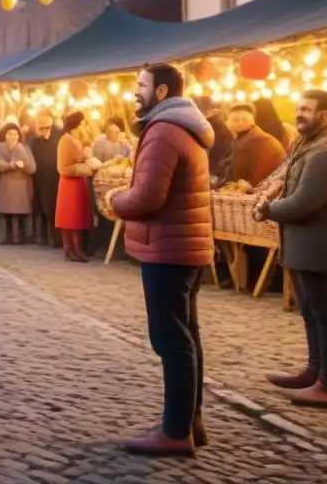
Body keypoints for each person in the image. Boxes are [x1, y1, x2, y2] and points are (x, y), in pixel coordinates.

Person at [105, 64, 215, 456]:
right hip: (184, 245)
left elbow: (148, 196)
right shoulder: (182, 126)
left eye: (140, 86)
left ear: (162, 91)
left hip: (170, 248)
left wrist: (113, 200)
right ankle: (190, 421)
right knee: (186, 336)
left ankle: (175, 430)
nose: (135, 92)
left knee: (171, 340)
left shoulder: (164, 131)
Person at [257, 89, 327, 407]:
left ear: (325, 116)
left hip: (319, 245)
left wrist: (268, 210)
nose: (298, 114)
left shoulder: (326, 152)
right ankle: (315, 372)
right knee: (310, 310)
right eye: (298, 108)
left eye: (306, 110)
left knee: (326, 313)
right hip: (305, 243)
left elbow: (306, 201)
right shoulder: (310, 144)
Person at [55, 113, 97, 262]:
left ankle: (73, 250)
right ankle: (72, 250)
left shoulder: (72, 139)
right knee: (71, 217)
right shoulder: (68, 140)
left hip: (75, 182)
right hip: (70, 183)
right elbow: (65, 166)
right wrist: (86, 164)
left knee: (75, 217)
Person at [0, 123, 36, 244]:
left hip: (21, 184)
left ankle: (17, 236)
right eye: (9, 134)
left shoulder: (24, 148)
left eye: (15, 134)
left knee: (17, 212)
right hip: (5, 183)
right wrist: (10, 165)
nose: (12, 136)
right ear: (4, 135)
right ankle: (3, 237)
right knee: (4, 212)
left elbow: (32, 168)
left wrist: (23, 163)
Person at [226, 103, 286, 187]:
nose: (240, 123)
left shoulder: (260, 142)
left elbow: (252, 182)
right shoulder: (243, 138)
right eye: (235, 120)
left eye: (244, 120)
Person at [30, 112, 61, 246]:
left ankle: (54, 237)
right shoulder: (34, 142)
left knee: (53, 208)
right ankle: (41, 236)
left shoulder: (57, 140)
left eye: (46, 128)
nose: (43, 131)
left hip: (53, 179)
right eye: (41, 128)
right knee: (40, 209)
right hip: (39, 179)